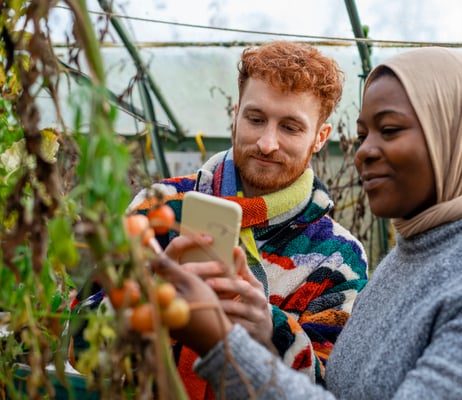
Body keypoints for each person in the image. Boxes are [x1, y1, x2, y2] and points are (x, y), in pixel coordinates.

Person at [152, 46, 462, 399]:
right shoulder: (419, 248)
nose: (363, 152)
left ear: (456, 134)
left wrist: (227, 344)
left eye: (389, 130)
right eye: (364, 133)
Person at [70, 40, 368, 398]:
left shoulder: (337, 257)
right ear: (236, 113)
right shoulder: (161, 208)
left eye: (290, 127)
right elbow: (78, 346)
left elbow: (331, 388)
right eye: (255, 119)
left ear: (320, 137)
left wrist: (270, 329)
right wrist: (146, 295)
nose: (267, 143)